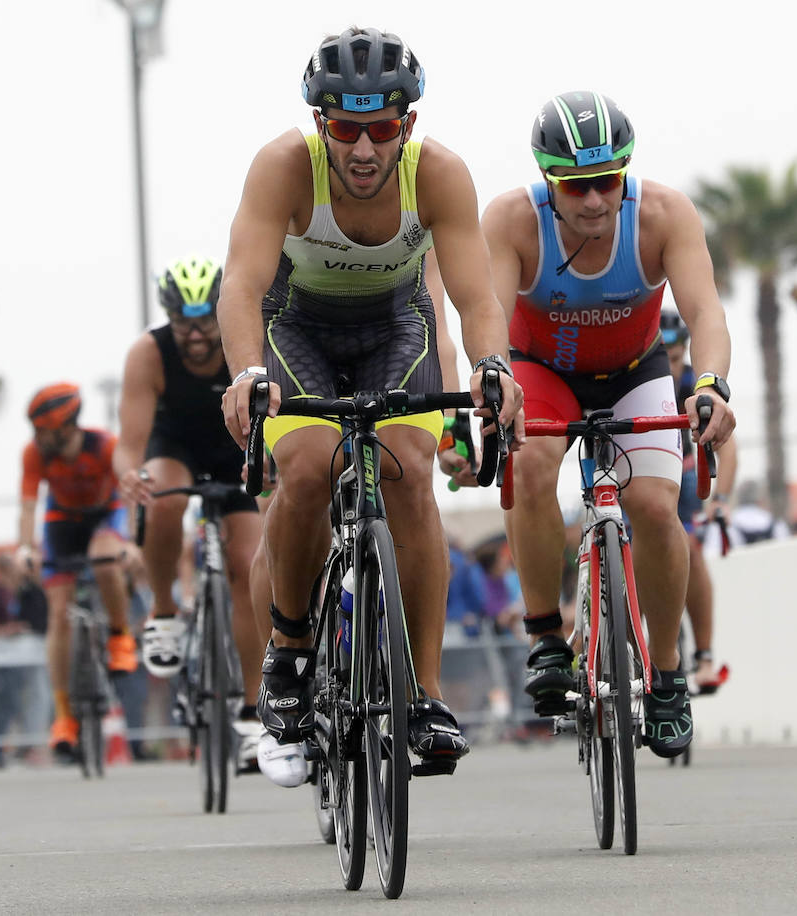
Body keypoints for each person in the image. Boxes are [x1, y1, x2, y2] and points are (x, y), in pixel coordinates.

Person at [216, 27, 523, 785]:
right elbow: (241, 288)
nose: (361, 149)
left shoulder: (439, 174)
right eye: (344, 128)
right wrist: (247, 373)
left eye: (380, 128)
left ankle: (423, 696)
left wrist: (491, 370)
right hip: (300, 329)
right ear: (321, 123)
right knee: (308, 468)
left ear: (406, 126)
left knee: (412, 475)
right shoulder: (284, 166)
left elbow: (477, 298)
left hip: (394, 325)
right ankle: (287, 654)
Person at [482, 91, 736, 758]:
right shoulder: (512, 220)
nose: (594, 200)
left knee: (655, 507)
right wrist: (489, 386)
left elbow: (706, 313)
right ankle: (544, 639)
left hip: (635, 369)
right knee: (532, 463)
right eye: (575, 184)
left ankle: (671, 672)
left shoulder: (661, 214)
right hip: (542, 370)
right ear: (547, 179)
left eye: (607, 181)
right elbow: (486, 322)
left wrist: (709, 385)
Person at [113, 255, 267, 772]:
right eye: (185, 324)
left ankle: (252, 713)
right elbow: (129, 444)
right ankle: (163, 614)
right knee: (163, 497)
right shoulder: (149, 354)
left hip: (235, 449)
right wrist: (130, 474)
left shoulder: (244, 339)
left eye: (205, 323)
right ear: (169, 318)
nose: (197, 336)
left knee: (248, 566)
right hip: (173, 447)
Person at [16, 382, 137, 761]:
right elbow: (28, 505)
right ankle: (64, 716)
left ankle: (120, 636)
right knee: (58, 613)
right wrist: (25, 549)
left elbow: (130, 495)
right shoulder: (35, 454)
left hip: (106, 514)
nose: (37, 438)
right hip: (62, 522)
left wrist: (130, 542)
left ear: (67, 426)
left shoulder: (104, 446)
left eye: (43, 430)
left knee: (104, 557)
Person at [662, 310, 738, 692]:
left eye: (676, 360)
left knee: (691, 548)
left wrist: (720, 500)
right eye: (663, 361)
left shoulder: (694, 385)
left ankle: (704, 655)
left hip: (686, 478)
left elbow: (729, 449)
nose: (671, 369)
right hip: (639, 467)